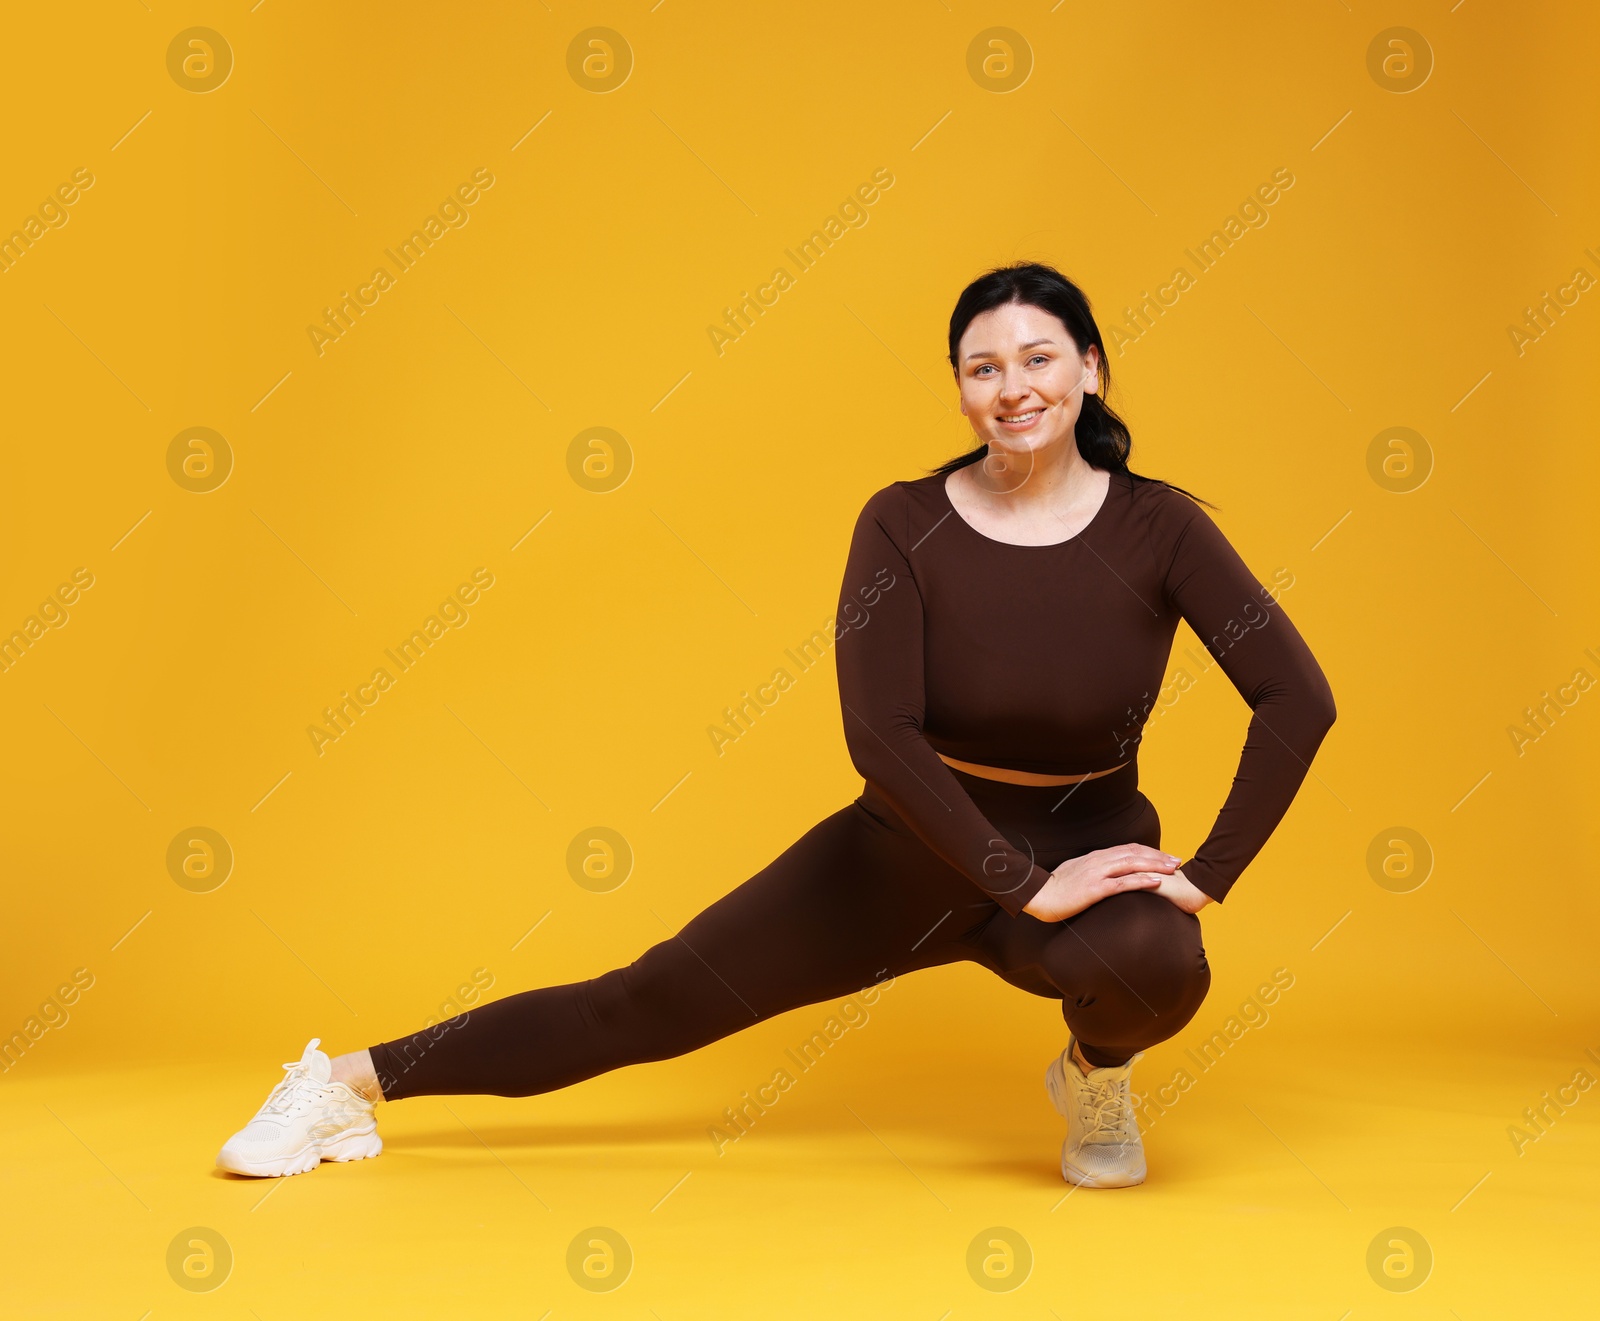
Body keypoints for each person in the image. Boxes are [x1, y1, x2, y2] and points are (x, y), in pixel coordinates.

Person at [216, 262, 1336, 1187]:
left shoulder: (1161, 527)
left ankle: (1095, 1075)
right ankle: (344, 1081)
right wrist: (1016, 879)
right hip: (907, 854)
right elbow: (880, 734)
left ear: (1089, 368)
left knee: (1156, 957)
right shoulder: (903, 522)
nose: (1012, 388)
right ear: (957, 388)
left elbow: (1299, 696)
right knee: (646, 1001)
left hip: (1085, 852)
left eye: (1038, 358)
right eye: (981, 367)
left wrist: (1203, 874)